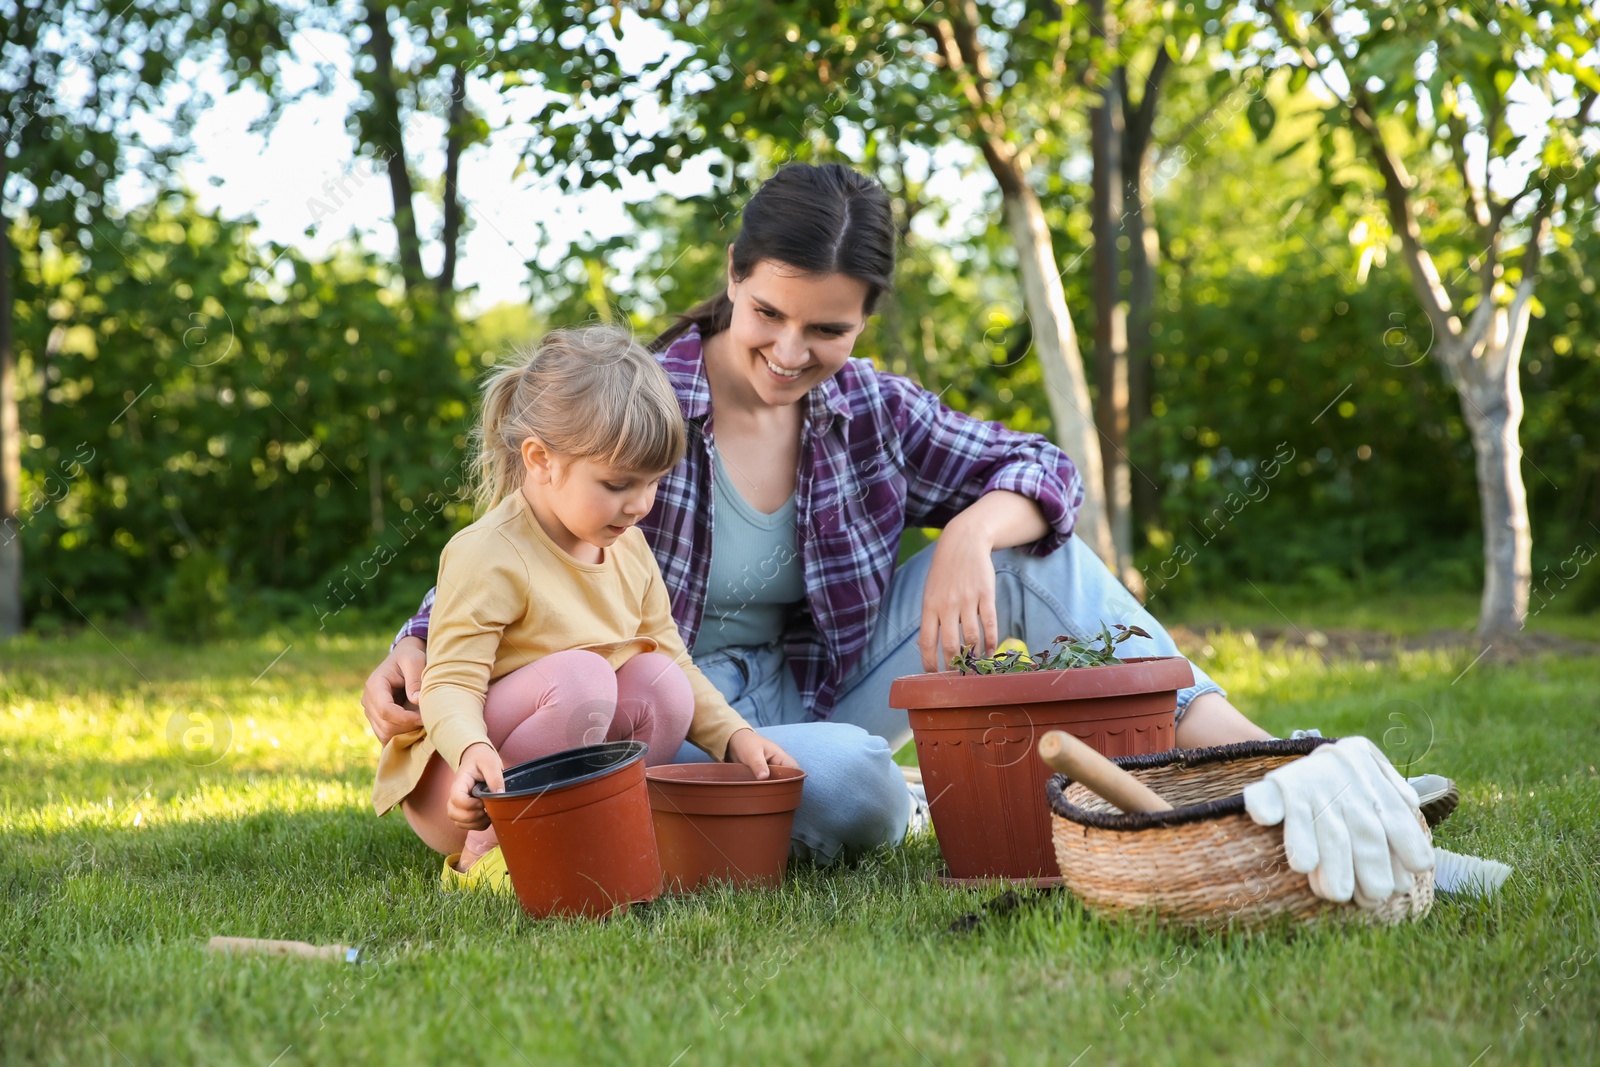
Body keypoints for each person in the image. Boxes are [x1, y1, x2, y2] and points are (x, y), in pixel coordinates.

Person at [363, 162, 1272, 867]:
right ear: (733, 275)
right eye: (768, 312)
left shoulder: (871, 411)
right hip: (661, 707)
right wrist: (415, 644)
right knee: (852, 786)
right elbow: (515, 543)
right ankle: (674, 813)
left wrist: (969, 530)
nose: (790, 352)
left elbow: (1043, 467)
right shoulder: (637, 405)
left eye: (828, 330)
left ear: (867, 318)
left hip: (810, 688)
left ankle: (1265, 775)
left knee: (1039, 559)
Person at [373, 326, 796, 889]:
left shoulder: (629, 548)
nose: (641, 504)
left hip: (548, 760)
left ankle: (595, 830)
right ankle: (485, 857)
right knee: (584, 675)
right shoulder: (488, 552)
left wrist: (735, 736)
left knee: (659, 680)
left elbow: (677, 663)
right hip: (462, 781)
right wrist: (472, 749)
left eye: (654, 483)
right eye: (619, 483)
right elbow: (451, 682)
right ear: (541, 459)